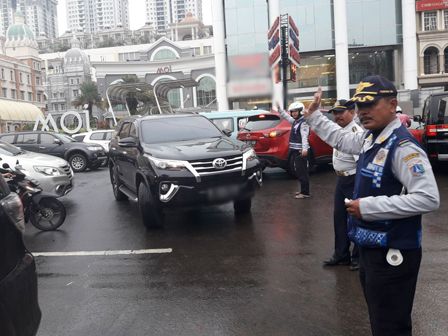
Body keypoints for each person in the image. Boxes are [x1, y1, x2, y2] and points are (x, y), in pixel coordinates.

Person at [303, 75, 440, 336]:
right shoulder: (371, 138)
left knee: (391, 326)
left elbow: (428, 198)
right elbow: (342, 140)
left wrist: (368, 207)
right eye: (359, 106)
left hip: (393, 252)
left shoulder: (402, 147)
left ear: (391, 104)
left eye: (370, 105)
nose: (362, 112)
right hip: (371, 250)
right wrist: (314, 117)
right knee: (381, 321)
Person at [323, 99, 363, 271]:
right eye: (335, 113)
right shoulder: (340, 130)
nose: (337, 116)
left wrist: (359, 188)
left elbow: (361, 164)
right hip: (341, 180)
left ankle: (358, 258)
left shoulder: (355, 132)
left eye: (341, 112)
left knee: (356, 219)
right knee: (339, 218)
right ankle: (341, 255)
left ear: (352, 113)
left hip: (353, 180)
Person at [276, 101, 310, 199]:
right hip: (295, 150)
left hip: (300, 152)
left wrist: (304, 150)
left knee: (302, 172)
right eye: (292, 112)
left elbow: (304, 137)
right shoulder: (296, 121)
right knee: (299, 171)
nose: (294, 113)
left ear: (301, 111)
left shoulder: (303, 122)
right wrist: (279, 109)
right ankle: (303, 190)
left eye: (296, 111)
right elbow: (286, 117)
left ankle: (305, 193)